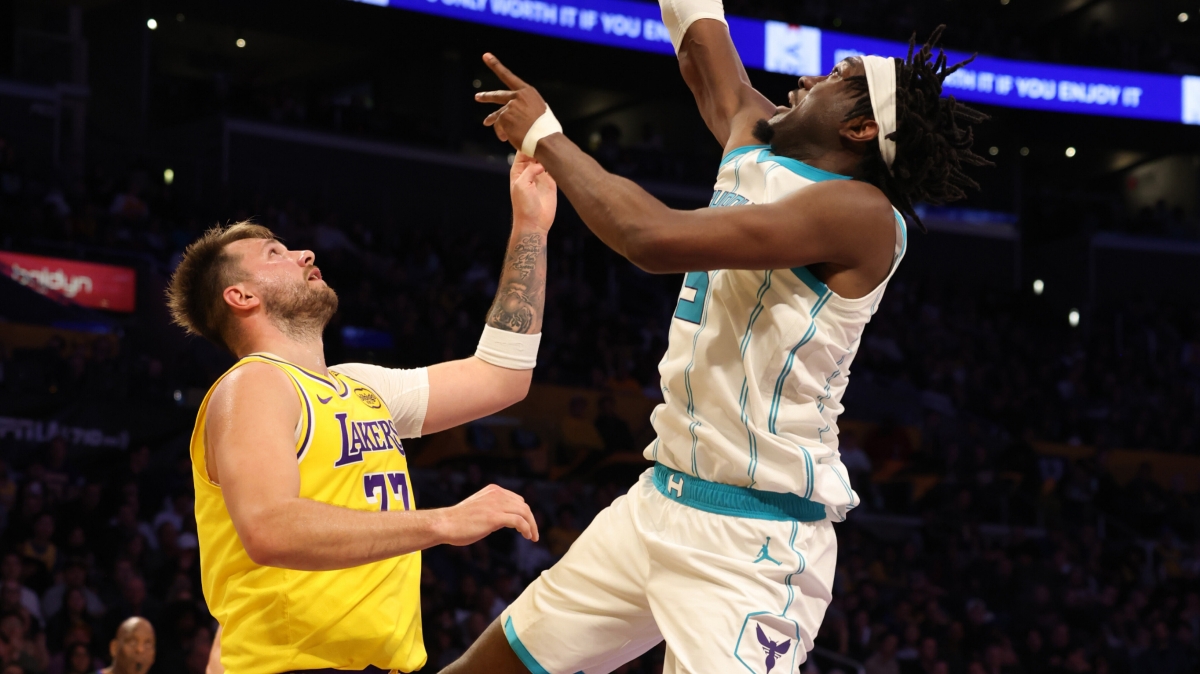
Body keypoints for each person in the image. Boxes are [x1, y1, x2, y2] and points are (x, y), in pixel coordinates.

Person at [455, 4, 987, 673]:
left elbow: (650, 240)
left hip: (752, 540)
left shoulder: (863, 218)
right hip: (658, 501)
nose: (805, 80)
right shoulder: (755, 136)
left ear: (859, 127)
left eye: (833, 78)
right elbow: (701, 44)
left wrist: (546, 137)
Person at [165, 154, 557, 673]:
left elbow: (501, 377)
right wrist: (443, 521)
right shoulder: (254, 383)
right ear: (241, 295)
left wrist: (531, 226)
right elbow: (270, 527)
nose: (304, 252)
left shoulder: (359, 385)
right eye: (276, 253)